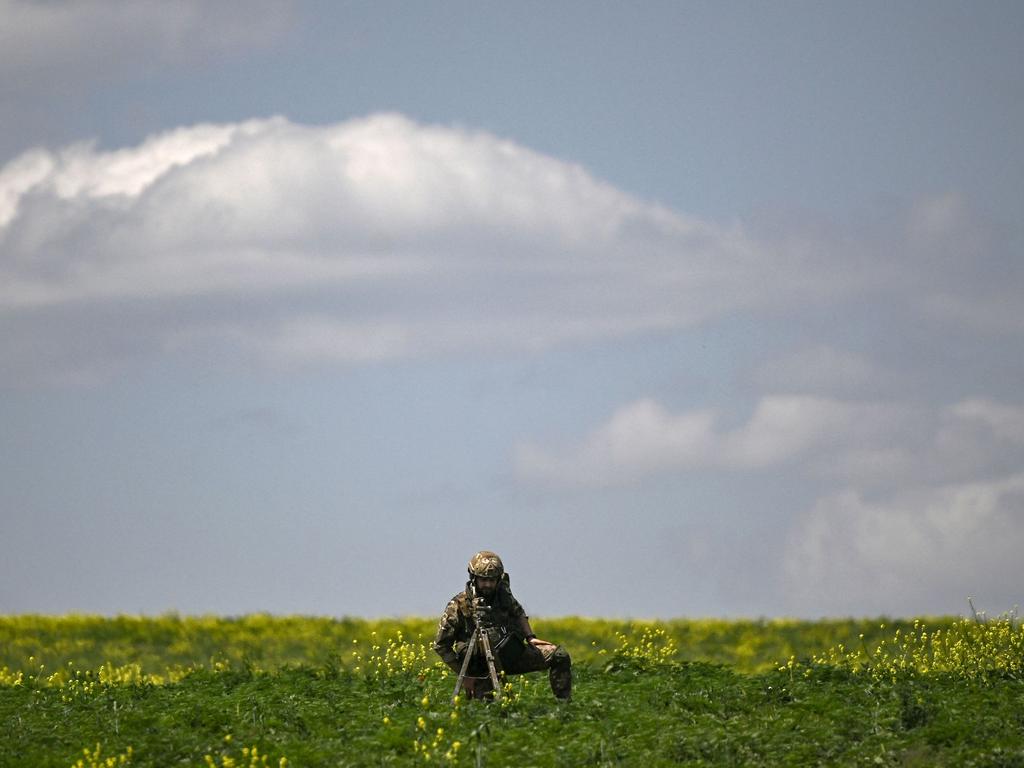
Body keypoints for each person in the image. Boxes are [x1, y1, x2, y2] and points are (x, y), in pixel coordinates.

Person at [432, 550, 572, 701]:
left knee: (559, 655)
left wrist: (530, 637)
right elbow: (441, 645)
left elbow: (518, 613)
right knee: (487, 708)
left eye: (492, 580)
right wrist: (464, 675)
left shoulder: (503, 595)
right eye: (483, 580)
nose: (488, 585)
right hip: (480, 667)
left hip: (511, 655)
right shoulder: (458, 605)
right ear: (474, 578)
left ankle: (564, 706)